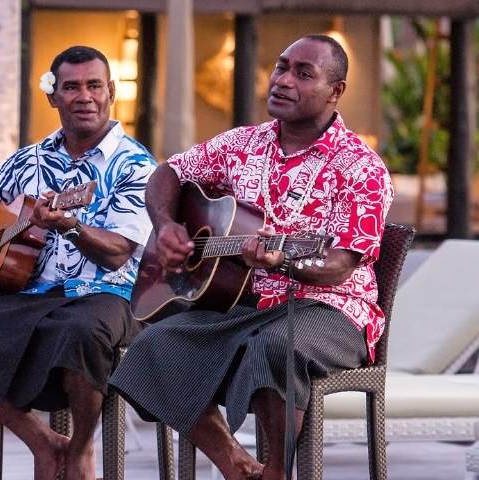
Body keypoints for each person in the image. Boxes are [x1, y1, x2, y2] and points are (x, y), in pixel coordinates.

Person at [109, 35, 393, 480]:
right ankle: (237, 465)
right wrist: (166, 224)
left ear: (335, 91)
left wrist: (282, 261)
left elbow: (339, 264)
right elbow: (170, 172)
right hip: (241, 305)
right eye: (281, 67)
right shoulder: (242, 144)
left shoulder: (361, 168)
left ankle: (277, 472)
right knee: (149, 349)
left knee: (276, 347)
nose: (282, 80)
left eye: (303, 74)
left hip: (332, 311)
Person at [0, 46, 156, 480]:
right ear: (54, 97)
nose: (83, 96)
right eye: (71, 87)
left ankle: (82, 450)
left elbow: (119, 250)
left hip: (106, 294)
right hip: (29, 293)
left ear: (111, 93)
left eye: (93, 86)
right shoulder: (32, 158)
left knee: (82, 332)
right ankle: (44, 442)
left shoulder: (135, 165)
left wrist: (69, 226)